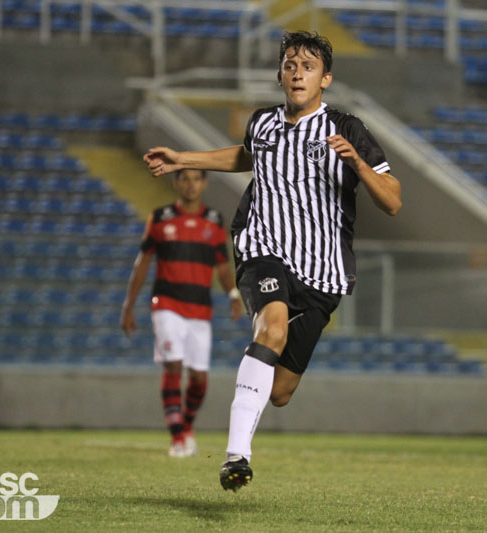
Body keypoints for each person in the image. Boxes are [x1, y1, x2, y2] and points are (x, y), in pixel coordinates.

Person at [143, 31, 401, 490]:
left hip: (323, 271)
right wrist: (184, 157)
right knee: (273, 327)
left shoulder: (348, 128)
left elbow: (393, 201)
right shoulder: (263, 122)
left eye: (308, 66)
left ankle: (248, 412)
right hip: (263, 248)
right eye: (290, 64)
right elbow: (247, 156)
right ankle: (236, 456)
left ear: (326, 79)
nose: (298, 72)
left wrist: (357, 163)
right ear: (280, 75)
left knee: (280, 393)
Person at [120, 168, 243, 458]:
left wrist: (233, 294)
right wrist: (129, 305)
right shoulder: (160, 218)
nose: (190, 184)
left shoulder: (213, 222)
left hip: (200, 309)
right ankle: (177, 437)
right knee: (173, 364)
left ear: (204, 183)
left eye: (195, 179)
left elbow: (222, 266)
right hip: (167, 304)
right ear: (176, 183)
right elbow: (143, 262)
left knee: (199, 377)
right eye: (184, 179)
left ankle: (186, 425)